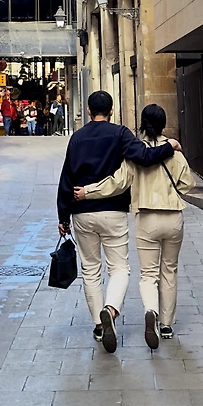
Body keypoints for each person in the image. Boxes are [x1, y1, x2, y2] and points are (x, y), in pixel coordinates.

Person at [57, 90, 179, 352]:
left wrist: (63, 216)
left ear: (88, 111)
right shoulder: (120, 134)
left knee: (91, 269)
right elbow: (145, 157)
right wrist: (170, 146)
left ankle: (99, 326)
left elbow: (66, 177)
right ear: (111, 111)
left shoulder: (77, 138)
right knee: (120, 268)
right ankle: (111, 309)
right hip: (113, 211)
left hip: (81, 211)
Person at [104, 104, 193, 346]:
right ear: (164, 124)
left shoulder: (135, 153)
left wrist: (88, 192)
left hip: (146, 218)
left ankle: (151, 311)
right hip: (173, 217)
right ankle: (166, 325)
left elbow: (118, 183)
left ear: (143, 123)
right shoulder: (174, 152)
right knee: (169, 270)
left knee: (148, 274)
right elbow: (187, 184)